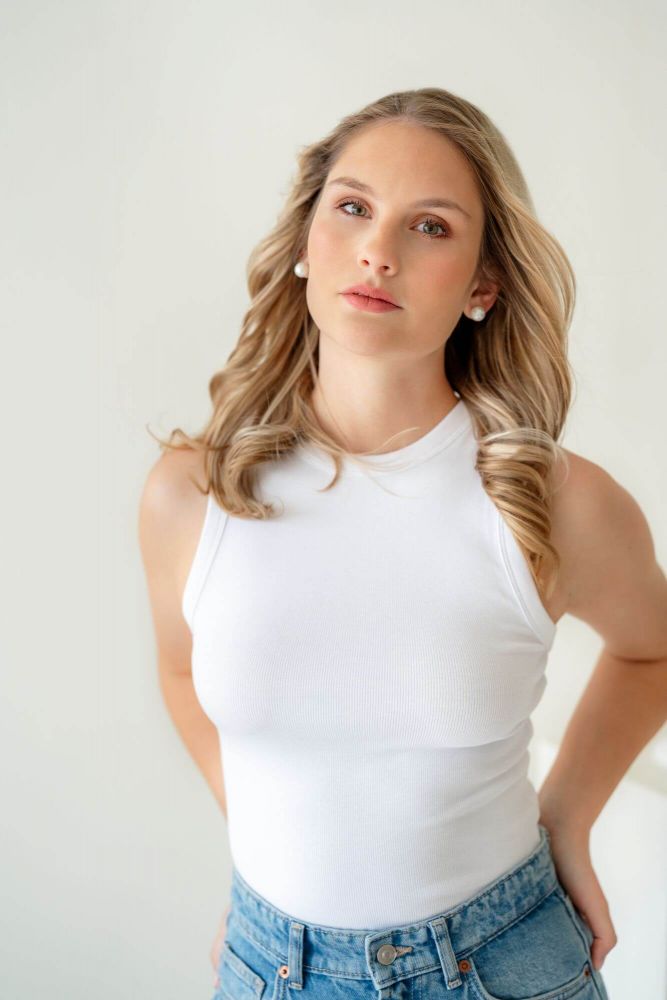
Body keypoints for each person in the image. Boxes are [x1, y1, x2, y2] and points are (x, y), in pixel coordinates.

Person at [138, 88, 667, 1000]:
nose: (378, 250)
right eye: (352, 208)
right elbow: (182, 673)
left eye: (429, 226)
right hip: (268, 964)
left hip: (502, 963)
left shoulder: (549, 503)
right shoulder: (194, 494)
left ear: (482, 286)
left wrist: (566, 820)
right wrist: (269, 857)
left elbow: (651, 648)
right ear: (305, 241)